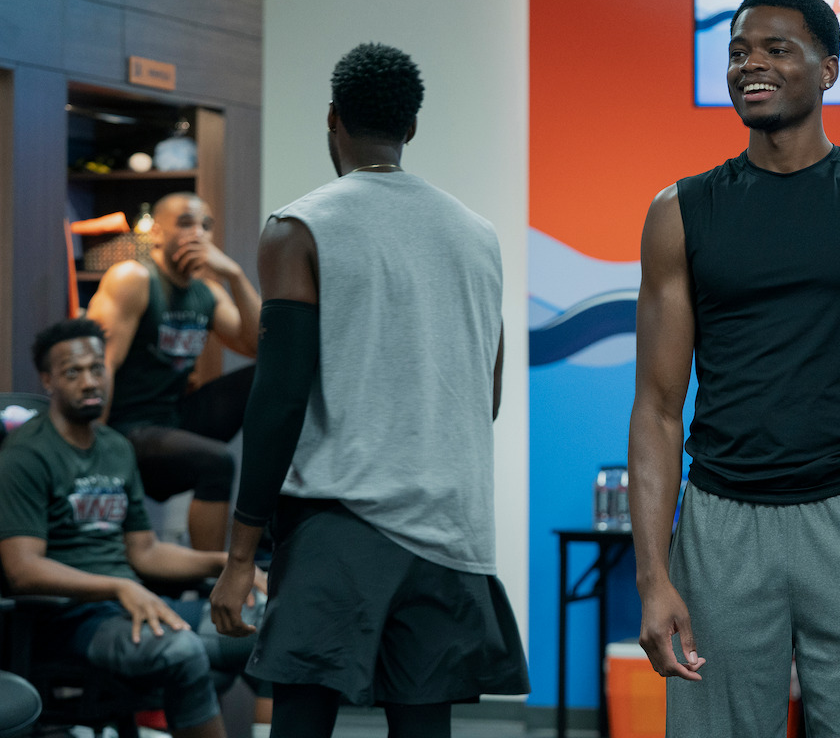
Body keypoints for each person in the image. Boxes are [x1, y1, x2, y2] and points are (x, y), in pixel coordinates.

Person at [628, 0, 840, 738]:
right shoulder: (679, 214)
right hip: (720, 526)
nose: (752, 64)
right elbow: (655, 407)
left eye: (778, 49)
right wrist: (654, 577)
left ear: (829, 69)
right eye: (739, 52)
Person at [209, 42, 530, 738]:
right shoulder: (478, 236)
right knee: (423, 727)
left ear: (333, 119)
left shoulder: (300, 228)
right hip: (450, 527)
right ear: (411, 128)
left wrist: (240, 557)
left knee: (302, 719)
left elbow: (279, 400)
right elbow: (488, 398)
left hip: (340, 525)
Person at [0, 318, 268, 738]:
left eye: (97, 368)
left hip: (133, 607)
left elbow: (144, 550)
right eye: (73, 372)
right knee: (182, 651)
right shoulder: (26, 455)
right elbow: (22, 569)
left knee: (261, 624)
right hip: (69, 620)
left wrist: (228, 564)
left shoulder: (115, 448)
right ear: (49, 380)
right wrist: (117, 587)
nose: (90, 382)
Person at [86, 192, 261, 551]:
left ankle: (278, 521)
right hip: (126, 429)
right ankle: (207, 576)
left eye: (206, 226)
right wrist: (93, 452)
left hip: (173, 419)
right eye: (185, 223)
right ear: (157, 234)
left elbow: (261, 345)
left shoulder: (207, 292)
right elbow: (101, 365)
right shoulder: (132, 278)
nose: (197, 233)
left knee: (268, 373)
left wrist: (235, 274)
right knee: (218, 463)